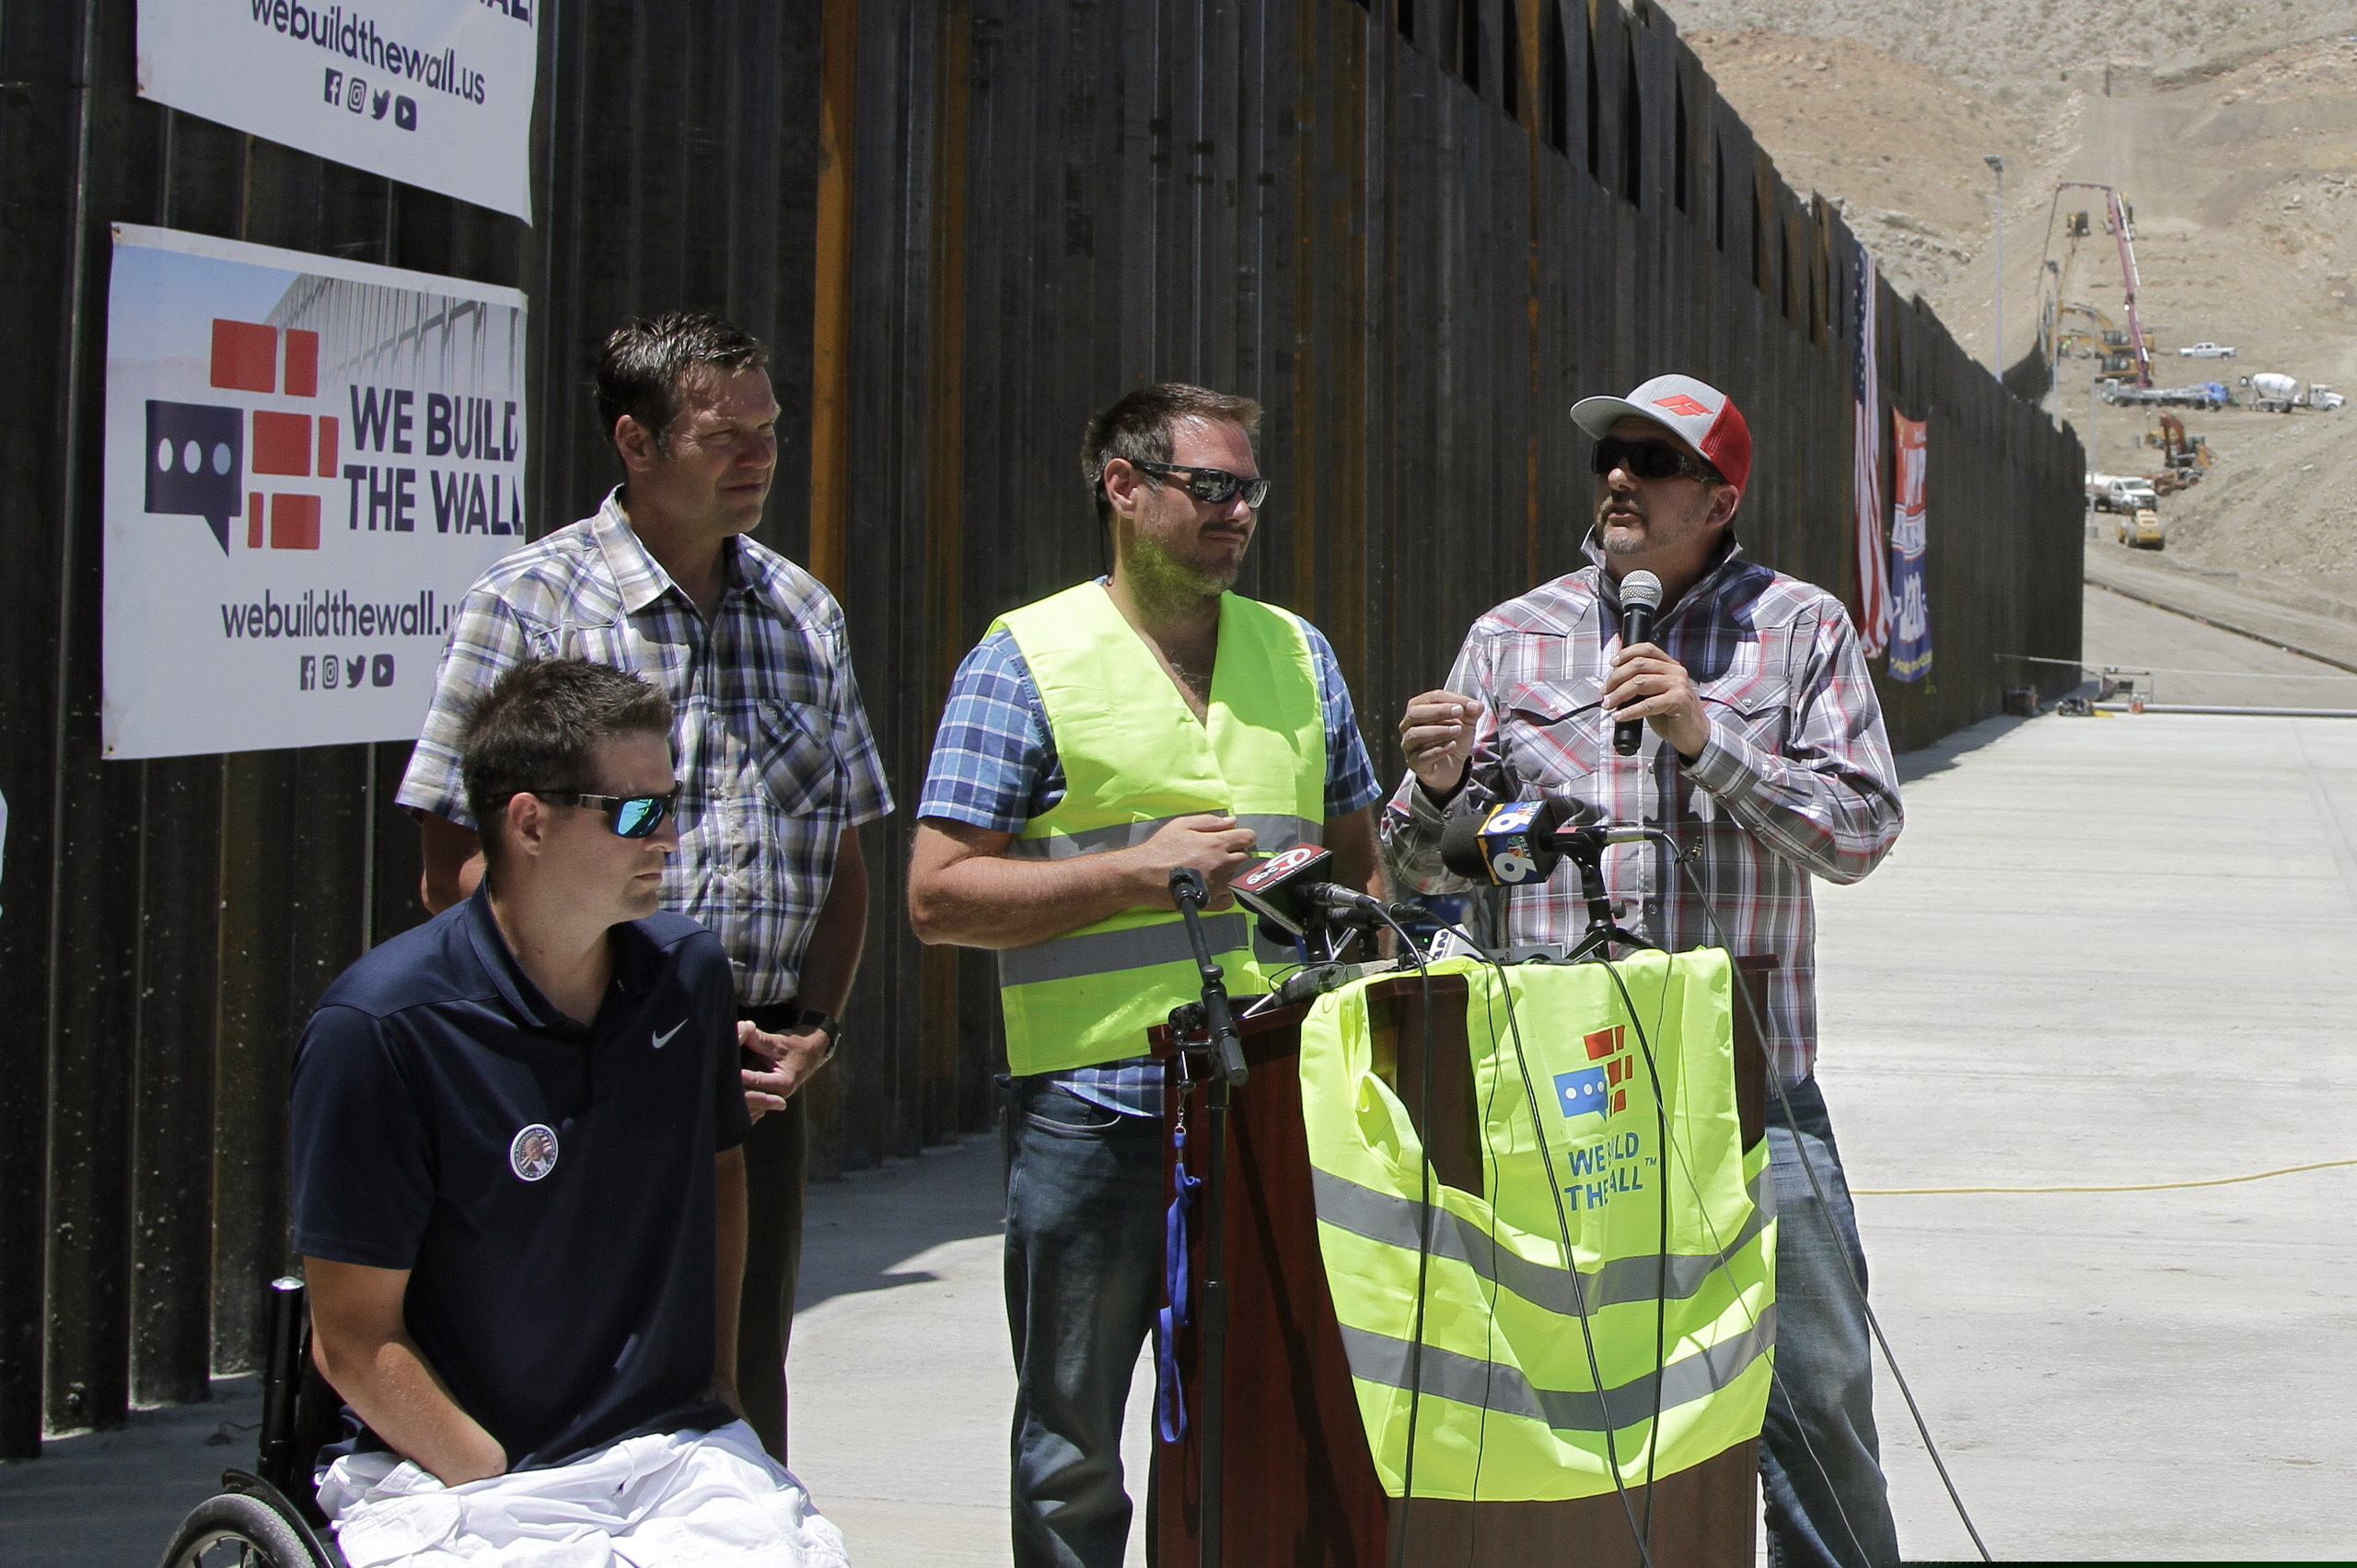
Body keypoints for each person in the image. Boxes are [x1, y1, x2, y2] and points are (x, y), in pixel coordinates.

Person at [1384, 374, 1906, 1568]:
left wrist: (1704, 736)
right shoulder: (1511, 636)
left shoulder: (1802, 628)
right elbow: (1426, 877)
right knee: (1564, 1407)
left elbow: (1861, 831)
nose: (1618, 477)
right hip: (1560, 1100)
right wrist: (1437, 789)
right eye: (1607, 456)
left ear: (1720, 496)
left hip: (1748, 1095)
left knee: (1815, 1396)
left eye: (1652, 460)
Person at [395, 312, 892, 1465]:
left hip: (752, 1076)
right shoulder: (526, 607)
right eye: (725, 436)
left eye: (768, 432)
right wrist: (623, 1021)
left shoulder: (805, 615)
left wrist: (813, 1025)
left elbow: (845, 854)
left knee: (731, 1384)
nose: (759, 457)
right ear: (634, 438)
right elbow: (450, 868)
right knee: (567, 1380)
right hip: (574, 1069)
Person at [905, 384, 1386, 1567]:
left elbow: (1362, 865)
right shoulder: (1026, 658)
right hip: (1094, 1108)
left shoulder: (1298, 652)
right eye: (1209, 487)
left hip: (1278, 1099)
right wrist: (1136, 874)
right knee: (1073, 1444)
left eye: (1249, 490)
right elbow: (936, 893)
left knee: (1275, 1414)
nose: (1238, 513)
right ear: (1122, 488)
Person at [291, 658, 849, 1567]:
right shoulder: (378, 1029)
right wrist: (488, 1469)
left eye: (673, 803)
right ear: (529, 821)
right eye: (635, 812)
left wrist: (717, 1384)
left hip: (671, 1455)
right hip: (465, 1474)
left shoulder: (688, 974)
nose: (668, 837)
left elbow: (719, 1165)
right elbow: (352, 1339)